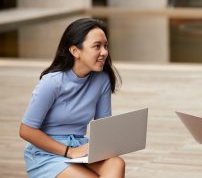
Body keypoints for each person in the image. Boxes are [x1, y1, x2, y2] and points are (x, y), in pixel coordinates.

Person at [19, 18, 124, 178]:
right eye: (97, 46)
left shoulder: (101, 80)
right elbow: (26, 130)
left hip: (80, 146)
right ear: (75, 51)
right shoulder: (52, 82)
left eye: (105, 46)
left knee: (117, 163)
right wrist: (69, 151)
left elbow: (104, 126)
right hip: (46, 153)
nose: (104, 52)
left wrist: (113, 142)